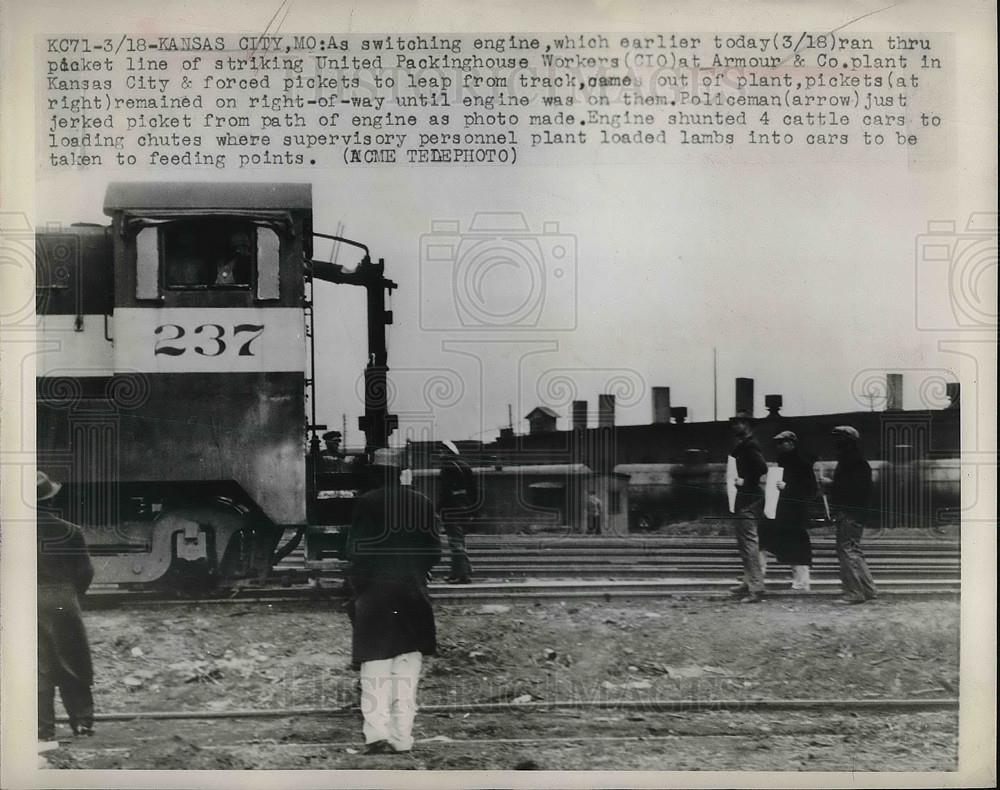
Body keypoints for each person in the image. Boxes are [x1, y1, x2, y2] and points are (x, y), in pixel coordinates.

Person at [344, 449, 441, 754]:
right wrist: (415, 573)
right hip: (413, 595)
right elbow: (434, 551)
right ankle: (403, 740)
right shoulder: (422, 502)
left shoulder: (367, 502)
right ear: (401, 473)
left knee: (375, 670)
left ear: (375, 474)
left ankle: (376, 737)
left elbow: (356, 552)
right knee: (407, 671)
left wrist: (360, 589)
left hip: (376, 596)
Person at [36, 471, 96, 747]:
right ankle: (82, 723)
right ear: (50, 499)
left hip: (28, 602)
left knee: (38, 667)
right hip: (63, 601)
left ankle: (43, 729)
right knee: (73, 660)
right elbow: (85, 571)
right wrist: (72, 595)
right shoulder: (71, 531)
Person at [826, 425, 878, 604]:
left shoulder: (851, 461)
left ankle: (854, 593)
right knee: (854, 550)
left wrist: (830, 485)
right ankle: (868, 589)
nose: (835, 442)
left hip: (850, 513)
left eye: (838, 437)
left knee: (846, 550)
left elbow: (852, 490)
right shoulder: (856, 460)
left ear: (847, 440)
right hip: (856, 513)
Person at [759, 431, 816, 591]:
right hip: (779, 511)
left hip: (795, 512)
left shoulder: (802, 463)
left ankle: (802, 582)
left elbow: (811, 489)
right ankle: (756, 578)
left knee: (797, 546)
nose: (779, 446)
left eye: (782, 442)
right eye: (777, 443)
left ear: (791, 443)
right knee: (763, 540)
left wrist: (788, 488)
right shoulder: (782, 463)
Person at [727, 411, 768, 603]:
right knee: (745, 544)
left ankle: (755, 588)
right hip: (745, 499)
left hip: (748, 499)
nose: (735, 426)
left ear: (747, 425)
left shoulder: (750, 446)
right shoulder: (744, 445)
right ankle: (748, 583)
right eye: (734, 423)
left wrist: (745, 482)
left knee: (749, 544)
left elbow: (762, 468)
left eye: (739, 423)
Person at [437, 443, 475, 584]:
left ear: (449, 453)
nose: (440, 454)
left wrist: (437, 510)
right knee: (458, 541)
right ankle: (457, 572)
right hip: (465, 509)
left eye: (442, 451)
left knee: (455, 543)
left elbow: (445, 493)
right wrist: (473, 510)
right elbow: (474, 490)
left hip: (451, 509)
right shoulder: (465, 467)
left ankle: (463, 575)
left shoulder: (447, 469)